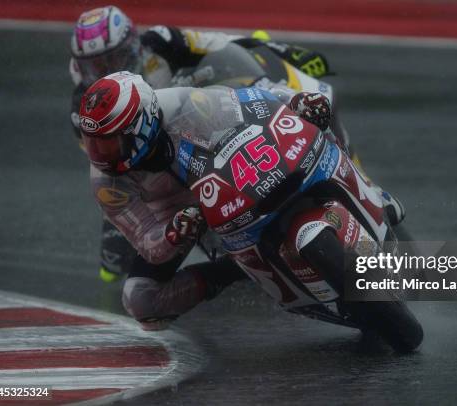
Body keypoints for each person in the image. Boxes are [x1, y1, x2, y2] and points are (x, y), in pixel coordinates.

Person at [68, 5, 333, 281]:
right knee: (115, 264)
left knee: (309, 103)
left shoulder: (161, 40)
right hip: (152, 171)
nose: (109, 70)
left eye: (115, 58)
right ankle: (235, 266)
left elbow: (218, 42)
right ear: (79, 65)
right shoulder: (86, 110)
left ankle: (355, 184)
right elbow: (111, 163)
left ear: (133, 45)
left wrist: (281, 51)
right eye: (97, 65)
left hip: (199, 118)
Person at [78, 71, 333, 330]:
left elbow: (253, 102)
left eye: (111, 143)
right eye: (94, 143)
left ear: (141, 124)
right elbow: (146, 242)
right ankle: (232, 270)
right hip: (178, 216)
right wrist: (174, 233)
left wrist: (295, 102)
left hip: (231, 174)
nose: (100, 155)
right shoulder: (105, 183)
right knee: (140, 298)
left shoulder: (181, 104)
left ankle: (354, 187)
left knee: (316, 123)